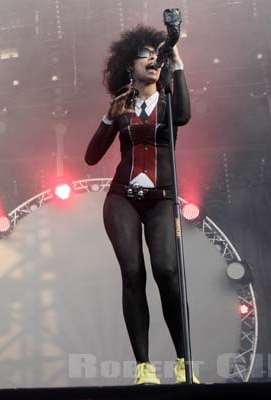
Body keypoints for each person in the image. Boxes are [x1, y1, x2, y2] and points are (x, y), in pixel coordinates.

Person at [84, 25, 196, 384]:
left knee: (166, 271)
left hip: (162, 198)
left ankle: (184, 362)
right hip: (122, 198)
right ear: (128, 66)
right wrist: (107, 117)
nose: (152, 59)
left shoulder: (167, 98)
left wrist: (176, 62)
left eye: (156, 54)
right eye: (144, 54)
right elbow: (91, 157)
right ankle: (144, 367)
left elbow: (183, 116)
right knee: (133, 274)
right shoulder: (122, 106)